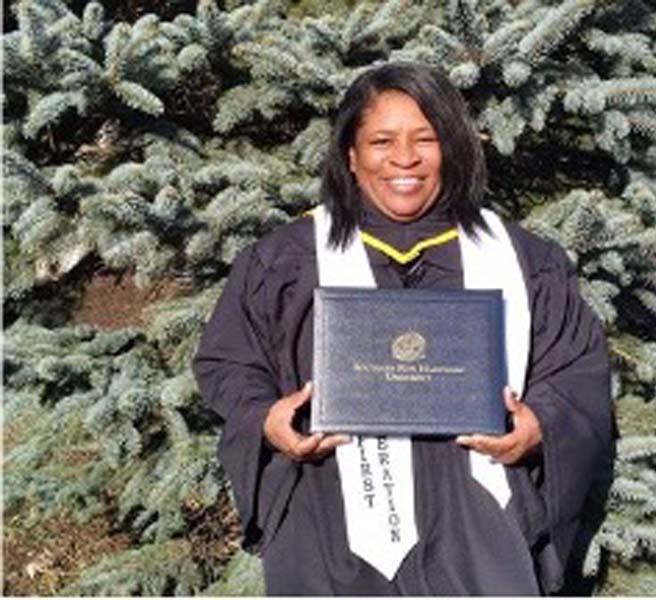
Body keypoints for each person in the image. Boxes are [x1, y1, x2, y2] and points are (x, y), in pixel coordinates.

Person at [192, 62, 612, 595]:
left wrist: (539, 429)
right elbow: (230, 362)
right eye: (381, 140)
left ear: (453, 149)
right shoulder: (286, 261)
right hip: (328, 524)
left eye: (426, 139)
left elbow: (574, 371)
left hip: (481, 529)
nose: (404, 159)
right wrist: (264, 418)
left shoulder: (524, 261)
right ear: (350, 153)